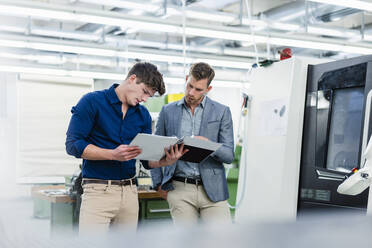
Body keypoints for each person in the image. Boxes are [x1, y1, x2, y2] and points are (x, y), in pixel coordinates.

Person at [65, 62, 187, 235]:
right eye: (145, 92)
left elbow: (146, 161)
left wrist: (166, 161)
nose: (145, 99)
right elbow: (73, 145)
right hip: (98, 191)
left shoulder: (142, 115)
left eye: (149, 96)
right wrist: (112, 154)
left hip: (130, 193)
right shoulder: (92, 102)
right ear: (132, 79)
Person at [150, 62, 234, 226]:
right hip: (180, 188)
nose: (191, 92)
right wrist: (158, 185)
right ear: (187, 79)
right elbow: (154, 149)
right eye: (189, 86)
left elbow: (229, 155)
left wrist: (209, 144)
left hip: (213, 190)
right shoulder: (168, 111)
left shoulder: (222, 111)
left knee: (223, 241)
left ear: (208, 89)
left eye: (198, 89)